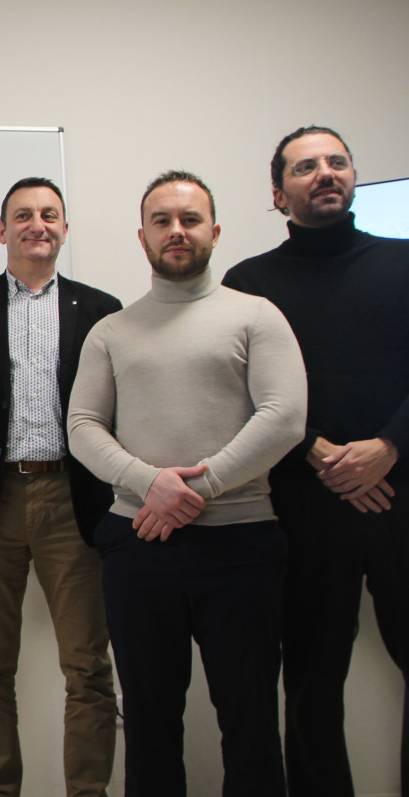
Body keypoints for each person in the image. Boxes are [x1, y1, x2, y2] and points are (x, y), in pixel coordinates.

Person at [67, 171, 306, 797]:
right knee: (148, 721)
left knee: (251, 720)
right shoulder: (112, 331)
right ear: (142, 237)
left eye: (191, 219)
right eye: (162, 221)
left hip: (243, 546)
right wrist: (151, 486)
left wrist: (196, 491)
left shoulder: (256, 316)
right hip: (138, 546)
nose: (177, 231)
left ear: (215, 232)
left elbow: (284, 418)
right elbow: (83, 426)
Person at [223, 125, 409, 797]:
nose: (325, 173)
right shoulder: (249, 284)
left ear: (352, 176)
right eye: (306, 167)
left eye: (337, 162)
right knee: (309, 681)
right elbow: (239, 391)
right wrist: (319, 452)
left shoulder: (405, 262)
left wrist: (388, 448)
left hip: (403, 496)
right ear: (279, 193)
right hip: (306, 502)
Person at [0, 177, 121, 797]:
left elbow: (121, 412)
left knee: (89, 670)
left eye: (50, 214)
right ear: (3, 230)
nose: (39, 224)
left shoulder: (101, 311)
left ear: (65, 227)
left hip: (76, 502)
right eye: (24, 215)